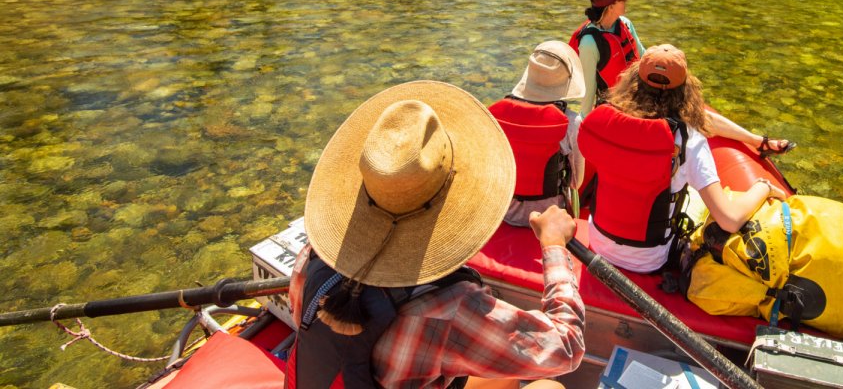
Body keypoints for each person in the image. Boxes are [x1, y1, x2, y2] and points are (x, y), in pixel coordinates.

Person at [285, 81, 584, 389]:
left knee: (502, 380)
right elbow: (566, 348)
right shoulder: (449, 307)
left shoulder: (313, 255)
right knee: (549, 387)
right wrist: (554, 245)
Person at [577, 45, 789, 274]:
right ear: (686, 89)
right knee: (699, 200)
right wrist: (762, 189)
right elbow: (729, 220)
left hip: (598, 241)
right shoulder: (689, 140)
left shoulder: (607, 124)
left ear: (633, 81)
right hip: (650, 259)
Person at [568, 0, 795, 157]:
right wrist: (586, 134)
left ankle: (756, 141)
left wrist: (668, 76)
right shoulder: (589, 43)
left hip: (640, 89)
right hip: (617, 104)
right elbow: (587, 95)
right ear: (610, 6)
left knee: (694, 112)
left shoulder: (625, 24)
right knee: (686, 119)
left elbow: (645, 56)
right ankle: (757, 142)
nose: (626, 1)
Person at [488, 41, 586, 225]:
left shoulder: (499, 115)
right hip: (548, 219)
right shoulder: (571, 123)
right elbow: (576, 182)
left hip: (505, 214)